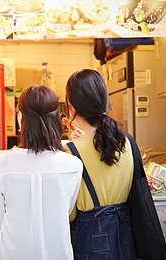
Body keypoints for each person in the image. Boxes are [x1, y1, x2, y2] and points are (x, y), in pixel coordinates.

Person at [0, 84, 83, 260]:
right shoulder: (73, 165)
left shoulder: (1, 165)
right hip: (57, 253)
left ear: (21, 119)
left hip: (13, 254)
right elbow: (67, 211)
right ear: (56, 119)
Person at [64, 69, 136, 259]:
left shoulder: (71, 151)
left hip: (89, 240)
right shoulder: (127, 141)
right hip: (126, 238)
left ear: (72, 106)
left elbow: (69, 214)